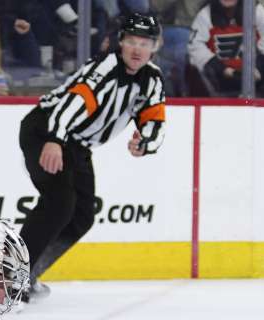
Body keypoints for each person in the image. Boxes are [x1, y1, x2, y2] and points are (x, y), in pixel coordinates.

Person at [17, 11, 165, 300]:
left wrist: (145, 142)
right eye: (133, 41)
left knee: (82, 216)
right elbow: (71, 104)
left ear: (154, 48)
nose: (138, 49)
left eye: (146, 43)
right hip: (45, 130)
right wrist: (55, 139)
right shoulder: (105, 67)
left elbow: (155, 123)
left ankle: (28, 272)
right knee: (59, 203)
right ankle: (8, 280)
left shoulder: (152, 79)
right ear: (121, 42)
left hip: (76, 145)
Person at [188, 0, 264, 97]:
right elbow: (196, 48)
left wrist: (259, 69)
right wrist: (222, 69)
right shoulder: (205, 15)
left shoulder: (257, 11)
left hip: (258, 80)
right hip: (220, 81)